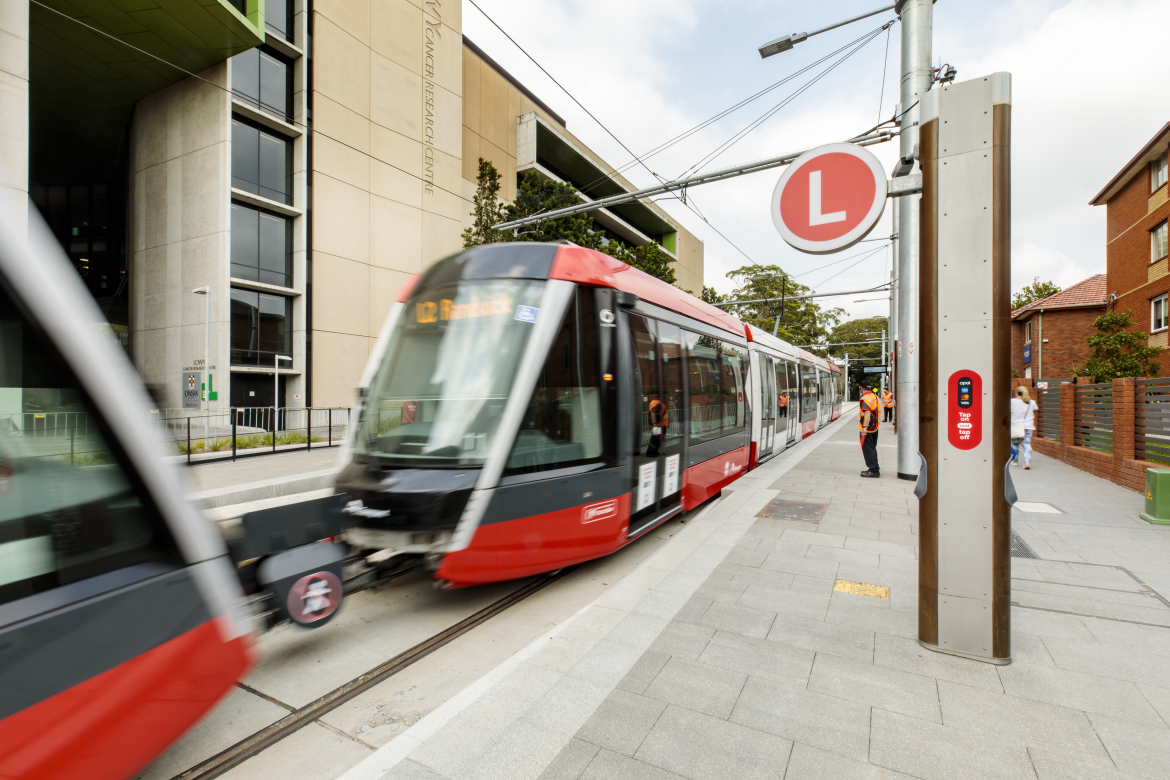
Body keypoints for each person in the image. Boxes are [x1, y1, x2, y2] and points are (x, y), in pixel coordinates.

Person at [858, 379, 881, 477]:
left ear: (861, 388)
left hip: (868, 428)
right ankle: (874, 467)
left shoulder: (865, 398)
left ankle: (874, 470)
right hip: (875, 427)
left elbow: (867, 413)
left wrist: (864, 428)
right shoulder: (875, 396)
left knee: (868, 449)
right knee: (872, 448)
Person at [1011, 386, 1037, 469]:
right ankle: (1027, 460)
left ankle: (1014, 461)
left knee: (1015, 444)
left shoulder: (1012, 401)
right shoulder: (1032, 402)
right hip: (1029, 426)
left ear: (1017, 393)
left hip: (1016, 425)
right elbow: (1035, 411)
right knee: (1026, 444)